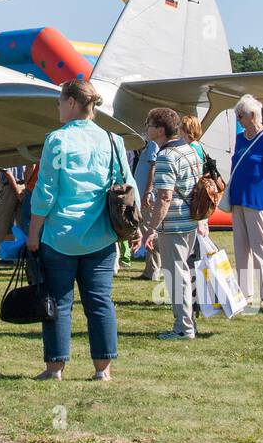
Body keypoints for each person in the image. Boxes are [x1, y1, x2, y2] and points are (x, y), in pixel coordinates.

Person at [27, 79, 132, 377]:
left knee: (58, 302)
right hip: (100, 235)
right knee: (100, 303)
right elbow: (127, 187)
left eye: (60, 100)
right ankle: (103, 369)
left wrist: (33, 232)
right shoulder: (114, 140)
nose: (58, 106)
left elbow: (46, 190)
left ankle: (55, 368)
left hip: (60, 235)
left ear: (72, 102)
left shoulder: (57, 140)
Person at [140, 106, 202, 339]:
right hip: (190, 221)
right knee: (183, 272)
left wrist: (151, 229)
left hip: (174, 224)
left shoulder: (166, 157)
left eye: (149, 124)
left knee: (176, 276)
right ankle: (188, 323)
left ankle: (183, 327)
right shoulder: (190, 150)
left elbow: (164, 197)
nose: (146, 128)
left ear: (159, 129)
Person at [227, 94, 263, 310]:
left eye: (240, 116)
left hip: (258, 199)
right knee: (241, 248)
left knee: (260, 248)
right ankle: (244, 293)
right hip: (239, 198)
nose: (239, 120)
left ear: (252, 115)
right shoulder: (241, 139)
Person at [131, 137, 160, 281]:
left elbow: (153, 168)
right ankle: (150, 270)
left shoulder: (153, 145)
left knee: (150, 233)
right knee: (146, 231)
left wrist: (148, 192)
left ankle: (153, 270)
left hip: (147, 198)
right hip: (143, 195)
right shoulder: (146, 146)